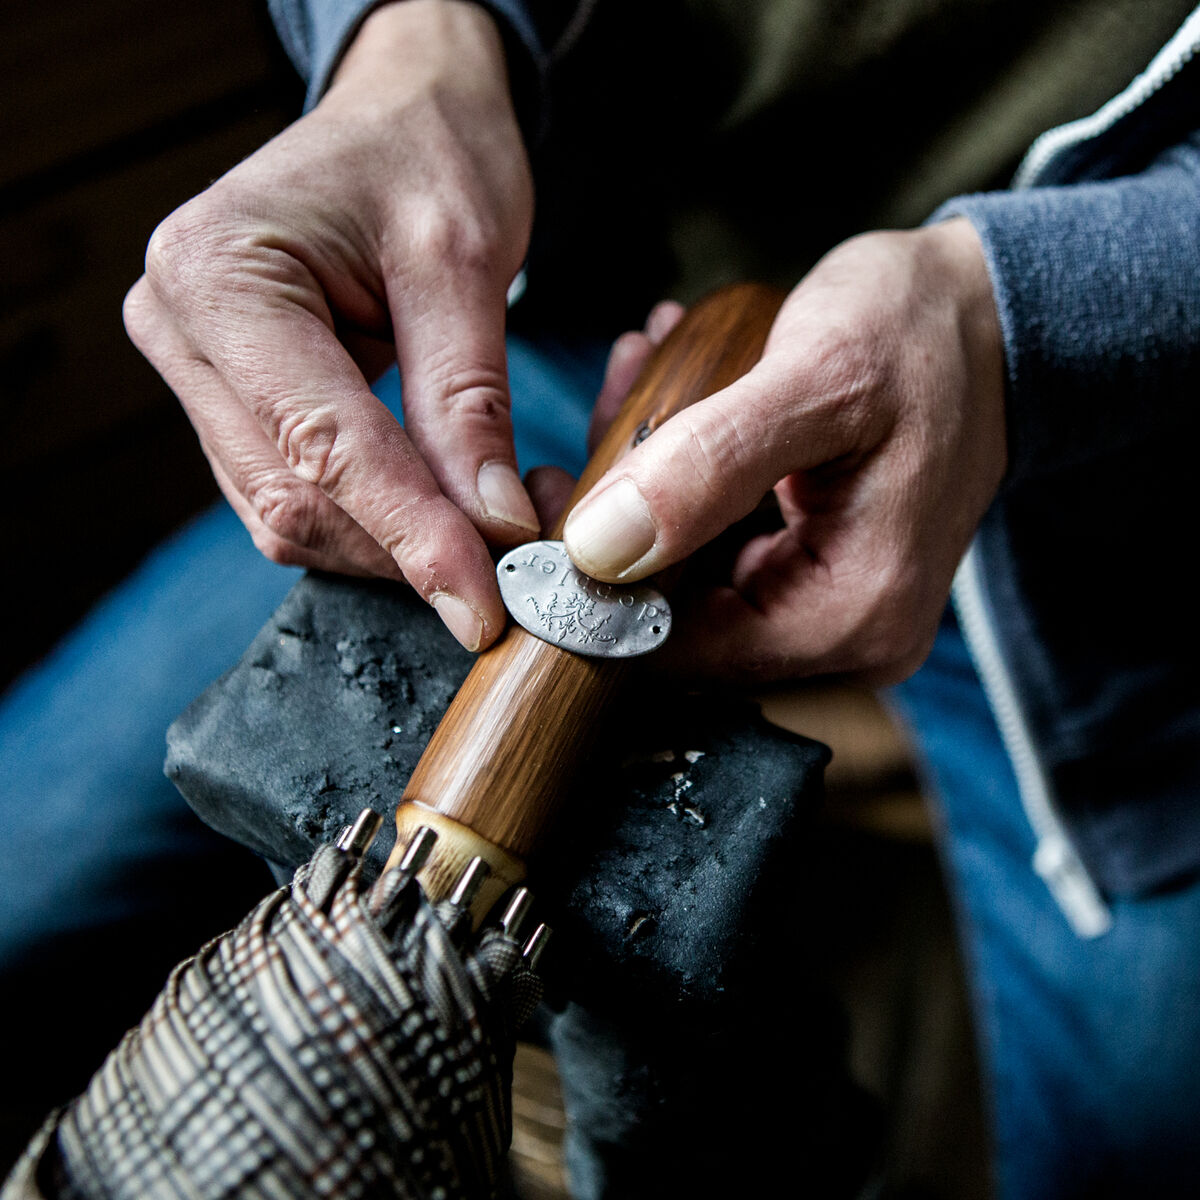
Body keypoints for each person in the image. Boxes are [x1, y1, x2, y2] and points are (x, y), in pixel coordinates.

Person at [5, 0, 1200, 1195]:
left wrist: (1014, 318)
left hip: (1095, 514)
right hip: (547, 364)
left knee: (1128, 1156)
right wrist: (412, 40)